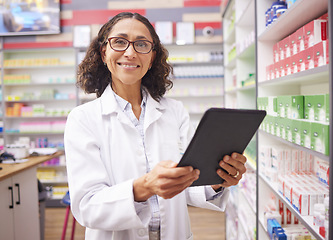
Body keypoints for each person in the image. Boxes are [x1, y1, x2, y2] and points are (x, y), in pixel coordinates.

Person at [64, 12, 247, 240]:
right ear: (104, 52)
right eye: (120, 42)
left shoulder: (175, 111)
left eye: (141, 44)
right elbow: (87, 206)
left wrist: (218, 180)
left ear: (151, 58)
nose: (130, 52)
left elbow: (190, 182)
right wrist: (144, 187)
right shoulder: (83, 119)